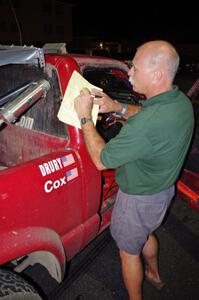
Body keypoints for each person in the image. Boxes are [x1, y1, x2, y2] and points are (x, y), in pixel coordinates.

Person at [74, 40, 194, 300]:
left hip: (136, 199)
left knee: (128, 252)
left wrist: (84, 117)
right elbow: (145, 113)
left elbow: (102, 160)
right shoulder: (179, 102)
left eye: (134, 69)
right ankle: (155, 274)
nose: (129, 74)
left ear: (157, 74)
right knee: (146, 233)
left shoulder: (145, 127)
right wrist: (116, 107)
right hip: (161, 192)